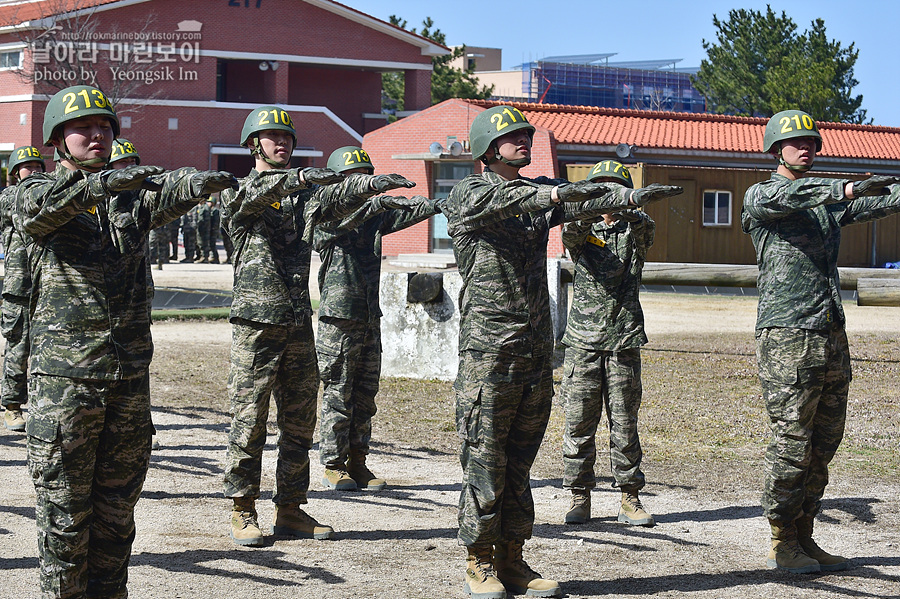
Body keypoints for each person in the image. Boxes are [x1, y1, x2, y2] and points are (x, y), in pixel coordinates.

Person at [444, 105, 682, 599]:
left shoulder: (535, 195)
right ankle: (478, 559)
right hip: (490, 353)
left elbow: (569, 203)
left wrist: (630, 196)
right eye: (513, 136)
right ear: (489, 146)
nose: (524, 141)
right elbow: (529, 198)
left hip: (533, 352)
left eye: (527, 134)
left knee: (518, 462)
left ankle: (512, 556)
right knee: (484, 460)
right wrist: (559, 193)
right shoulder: (472, 192)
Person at [17, 85, 236, 599]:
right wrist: (99, 186)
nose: (97, 135)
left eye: (105, 127)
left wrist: (197, 182)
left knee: (117, 517)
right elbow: (37, 215)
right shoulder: (34, 193)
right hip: (67, 388)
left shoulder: (129, 200)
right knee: (66, 520)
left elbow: (167, 191)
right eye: (83, 128)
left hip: (128, 382)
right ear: (57, 140)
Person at [220, 106, 417, 547]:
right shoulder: (237, 192)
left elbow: (339, 197)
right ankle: (242, 508)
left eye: (286, 137)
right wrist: (307, 179)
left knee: (299, 422)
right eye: (271, 137)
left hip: (296, 323)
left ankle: (290, 507)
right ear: (253, 144)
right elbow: (256, 198)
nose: (281, 143)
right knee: (249, 419)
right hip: (256, 326)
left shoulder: (304, 198)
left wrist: (373, 184)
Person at [742, 109, 900, 574]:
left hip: (829, 332)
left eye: (812, 142)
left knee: (823, 440)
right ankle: (781, 540)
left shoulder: (822, 199)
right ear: (775, 149)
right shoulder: (763, 193)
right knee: (791, 440)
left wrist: (878, 192)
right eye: (796, 143)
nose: (806, 148)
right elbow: (795, 194)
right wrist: (847, 188)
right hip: (788, 334)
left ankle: (805, 533)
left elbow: (878, 202)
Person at [316, 145, 440, 492]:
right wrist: (376, 201)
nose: (363, 185)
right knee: (338, 393)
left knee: (365, 394)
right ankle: (333, 463)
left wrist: (440, 203)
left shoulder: (373, 216)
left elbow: (408, 212)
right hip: (338, 319)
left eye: (367, 178)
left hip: (370, 315)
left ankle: (358, 461)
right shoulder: (327, 217)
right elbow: (343, 222)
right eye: (354, 180)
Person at [560, 160, 656, 528]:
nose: (607, 193)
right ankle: (579, 495)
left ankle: (629, 496)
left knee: (624, 423)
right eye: (600, 186)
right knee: (579, 423)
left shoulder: (636, 229)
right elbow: (572, 236)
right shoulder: (580, 231)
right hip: (583, 342)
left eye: (613, 187)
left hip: (623, 341)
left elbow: (645, 229)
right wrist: (590, 205)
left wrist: (630, 205)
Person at [0, 145, 45, 432]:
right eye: (28, 167)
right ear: (16, 173)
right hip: (18, 287)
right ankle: (12, 406)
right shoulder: (9, 197)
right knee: (18, 347)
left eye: (39, 166)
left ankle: (42, 403)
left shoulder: (44, 195)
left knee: (46, 347)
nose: (35, 171)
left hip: (45, 285)